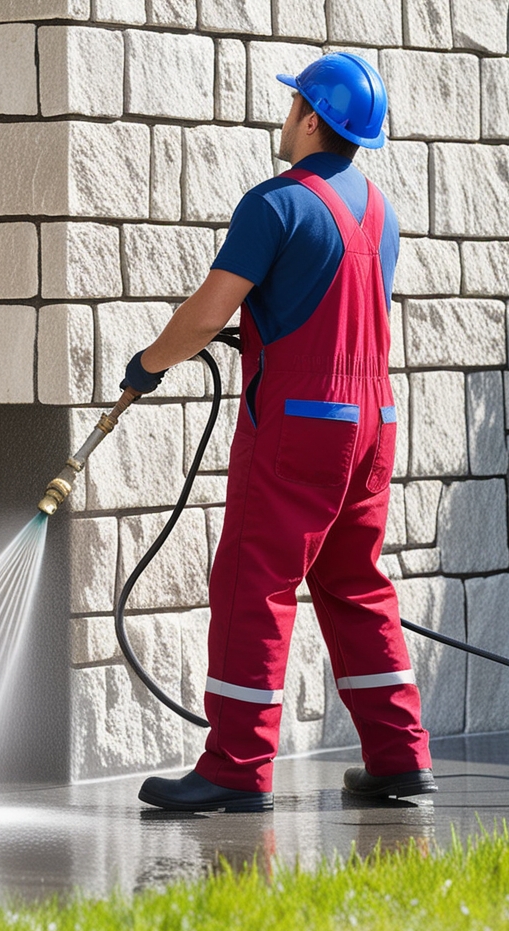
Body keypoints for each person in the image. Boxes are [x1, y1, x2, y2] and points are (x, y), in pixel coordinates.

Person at [123, 52, 435, 812]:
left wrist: (147, 364)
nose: (286, 112)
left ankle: (235, 768)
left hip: (300, 426)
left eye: (294, 100)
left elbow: (206, 314)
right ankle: (400, 761)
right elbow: (324, 307)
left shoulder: (274, 204)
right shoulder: (379, 210)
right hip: (373, 423)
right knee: (353, 583)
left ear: (312, 117)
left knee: (252, 583)